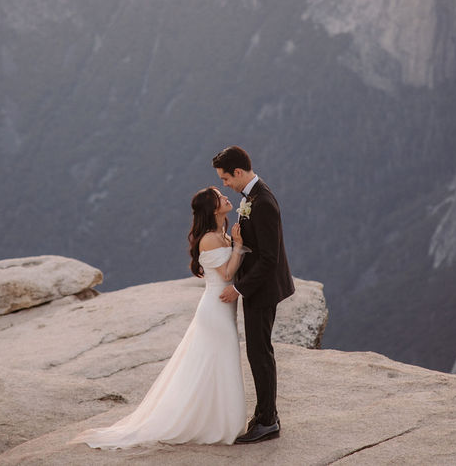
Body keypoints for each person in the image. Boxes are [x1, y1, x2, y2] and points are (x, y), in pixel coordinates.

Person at [70, 187, 248, 449]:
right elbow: (225, 275)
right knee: (220, 360)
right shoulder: (210, 239)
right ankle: (215, 422)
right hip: (215, 309)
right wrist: (240, 246)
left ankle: (216, 419)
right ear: (212, 209)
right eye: (219, 197)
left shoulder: (222, 234)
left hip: (223, 307)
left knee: (218, 363)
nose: (225, 198)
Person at [213, 145, 294, 444]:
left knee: (260, 354)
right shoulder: (253, 197)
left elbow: (270, 259)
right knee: (257, 352)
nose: (225, 185)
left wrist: (238, 288)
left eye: (225, 179)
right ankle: (264, 414)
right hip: (258, 288)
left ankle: (268, 421)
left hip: (262, 290)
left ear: (237, 172)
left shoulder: (263, 203)